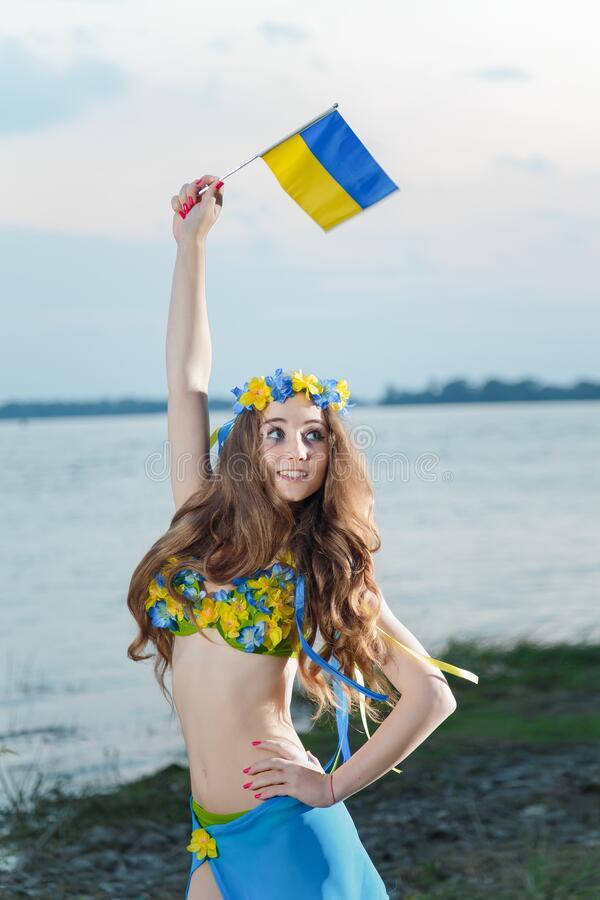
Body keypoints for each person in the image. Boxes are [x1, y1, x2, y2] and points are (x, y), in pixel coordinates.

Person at [127, 174, 478, 899]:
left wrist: (332, 785)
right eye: (277, 433)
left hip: (287, 831)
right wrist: (190, 247)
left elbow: (430, 695)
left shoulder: (317, 566)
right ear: (249, 447)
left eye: (314, 436)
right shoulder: (198, 520)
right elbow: (185, 380)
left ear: (329, 455)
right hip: (209, 835)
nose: (296, 450)